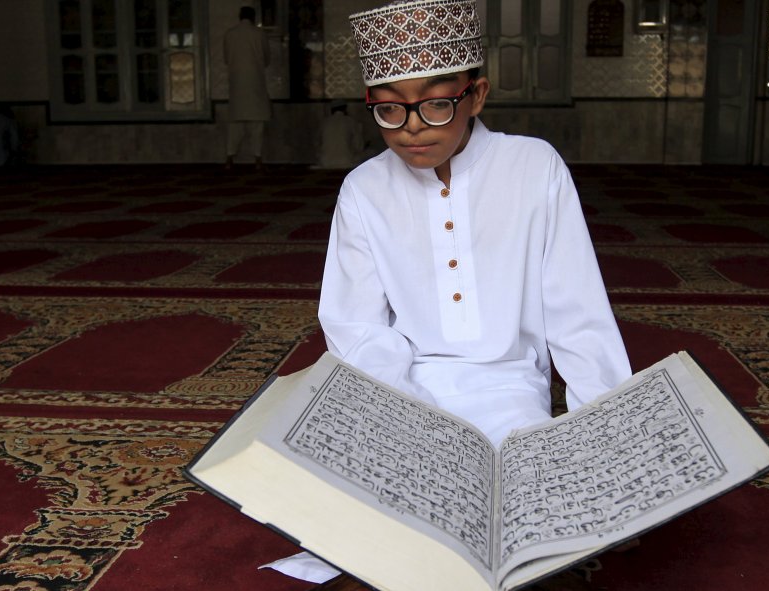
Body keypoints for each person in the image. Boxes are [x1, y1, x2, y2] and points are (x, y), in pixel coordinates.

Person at [271, 1, 633, 588]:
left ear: (477, 95)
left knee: (516, 524)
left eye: (436, 104)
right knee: (368, 513)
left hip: (510, 388)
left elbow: (578, 312)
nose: (411, 126)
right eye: (388, 109)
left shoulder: (533, 166)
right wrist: (405, 415)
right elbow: (356, 327)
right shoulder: (362, 188)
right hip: (406, 393)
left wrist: (604, 443)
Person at [223, 6, 270, 171]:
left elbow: (227, 58)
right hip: (255, 85)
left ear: (239, 16)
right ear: (253, 18)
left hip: (237, 86)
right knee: (257, 126)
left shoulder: (230, 34)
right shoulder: (259, 34)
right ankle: (257, 160)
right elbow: (266, 59)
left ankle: (229, 159)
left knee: (234, 126)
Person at [316, 100, 366, 170]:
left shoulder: (324, 122)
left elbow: (317, 144)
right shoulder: (350, 121)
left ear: (331, 110)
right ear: (345, 109)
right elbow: (359, 146)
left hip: (325, 162)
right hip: (347, 161)